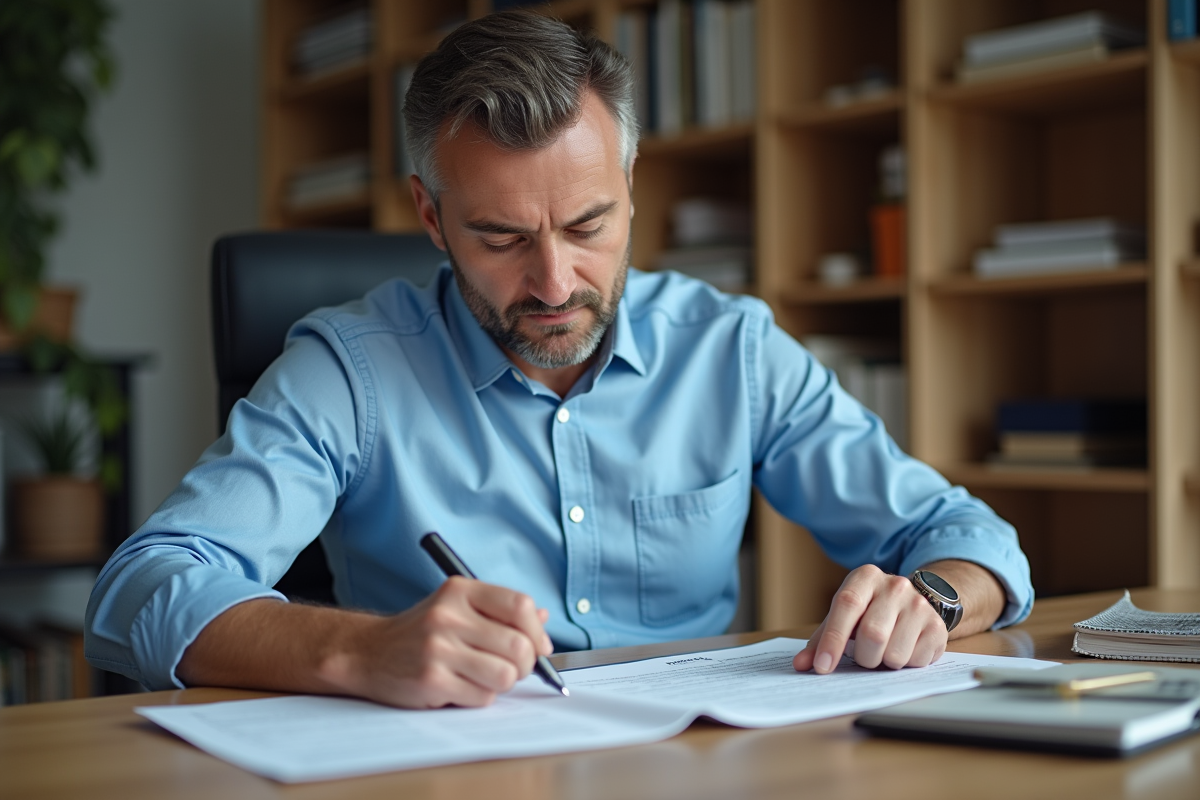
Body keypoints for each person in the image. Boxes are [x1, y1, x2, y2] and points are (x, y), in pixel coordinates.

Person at [85, 11, 1032, 709]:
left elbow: (967, 534)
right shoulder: (351, 370)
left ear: (628, 191)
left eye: (588, 227)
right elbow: (144, 586)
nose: (553, 282)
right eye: (500, 236)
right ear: (431, 216)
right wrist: (360, 650)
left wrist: (934, 599)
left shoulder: (730, 349)